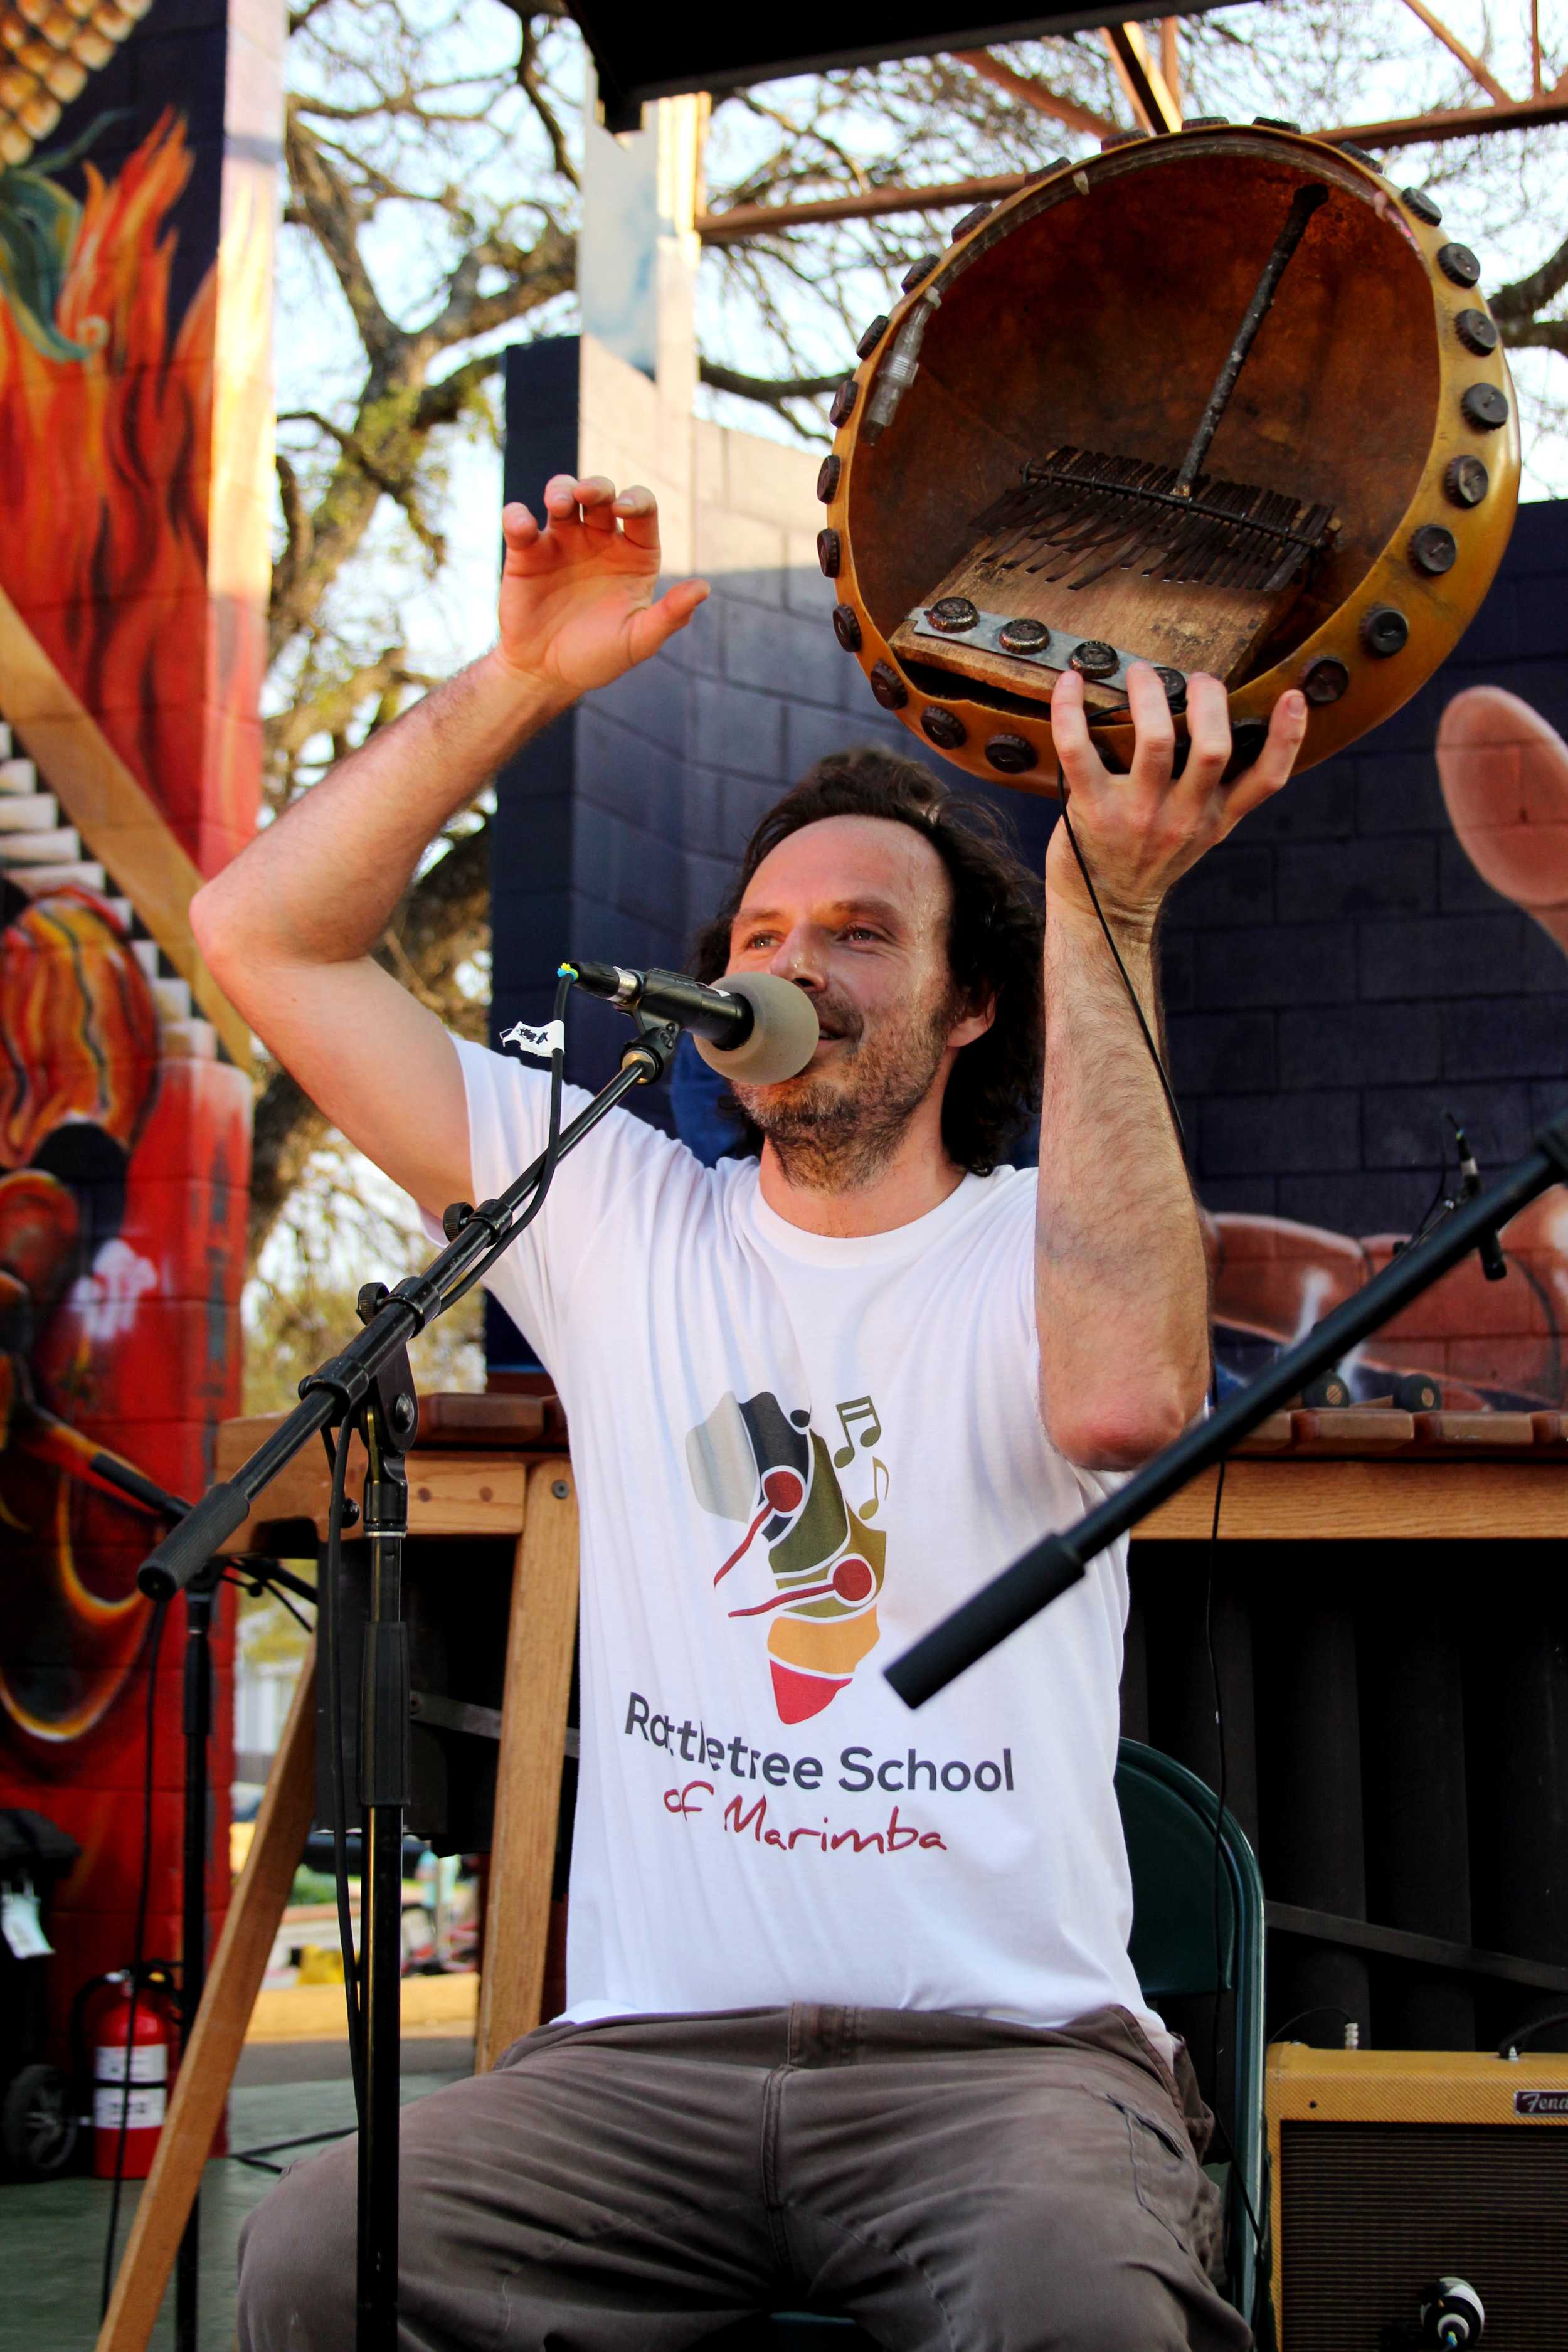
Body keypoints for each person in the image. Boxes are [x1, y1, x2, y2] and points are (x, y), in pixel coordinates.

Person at [207, 475, 1306, 2351]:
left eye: (863, 934)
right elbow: (262, 940)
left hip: (1002, 2074)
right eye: (768, 925)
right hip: (643, 2079)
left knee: (1082, 2306)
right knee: (318, 2255)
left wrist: (1099, 906)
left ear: (974, 1007)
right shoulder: (619, 1212)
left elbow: (1128, 1401)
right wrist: (522, 677)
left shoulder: (1039, 1251)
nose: (794, 961)